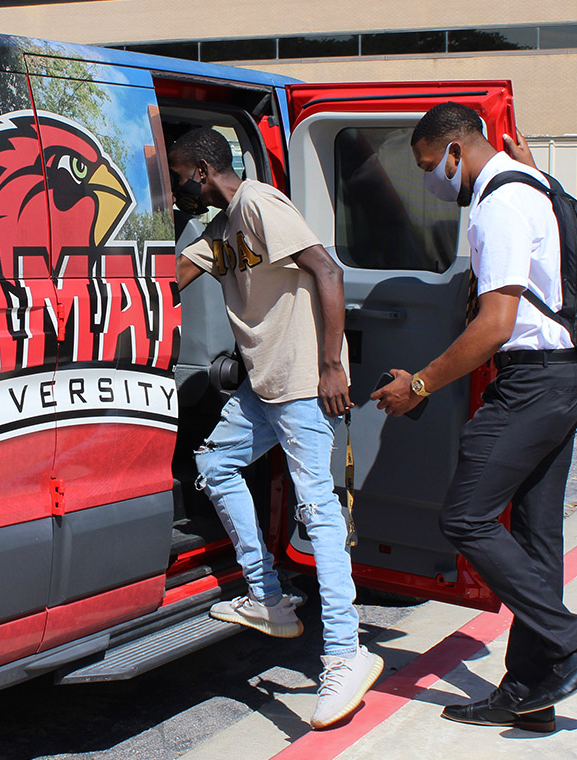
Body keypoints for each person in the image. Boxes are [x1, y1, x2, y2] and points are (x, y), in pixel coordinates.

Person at [372, 103, 577, 733]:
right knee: (538, 536)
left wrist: (420, 383)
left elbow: (496, 325)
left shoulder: (499, 204)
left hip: (535, 382)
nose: (434, 180)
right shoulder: (534, 182)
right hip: (566, 376)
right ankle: (531, 693)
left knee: (466, 515)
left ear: (455, 149)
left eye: (432, 166)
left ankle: (575, 643)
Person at [170, 127, 383, 730]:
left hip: (301, 384)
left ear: (205, 170)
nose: (179, 189)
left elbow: (329, 271)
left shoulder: (260, 204)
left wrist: (331, 364)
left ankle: (345, 654)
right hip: (263, 387)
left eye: (181, 176)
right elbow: (171, 279)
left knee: (318, 511)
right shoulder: (223, 226)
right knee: (214, 464)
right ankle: (267, 597)